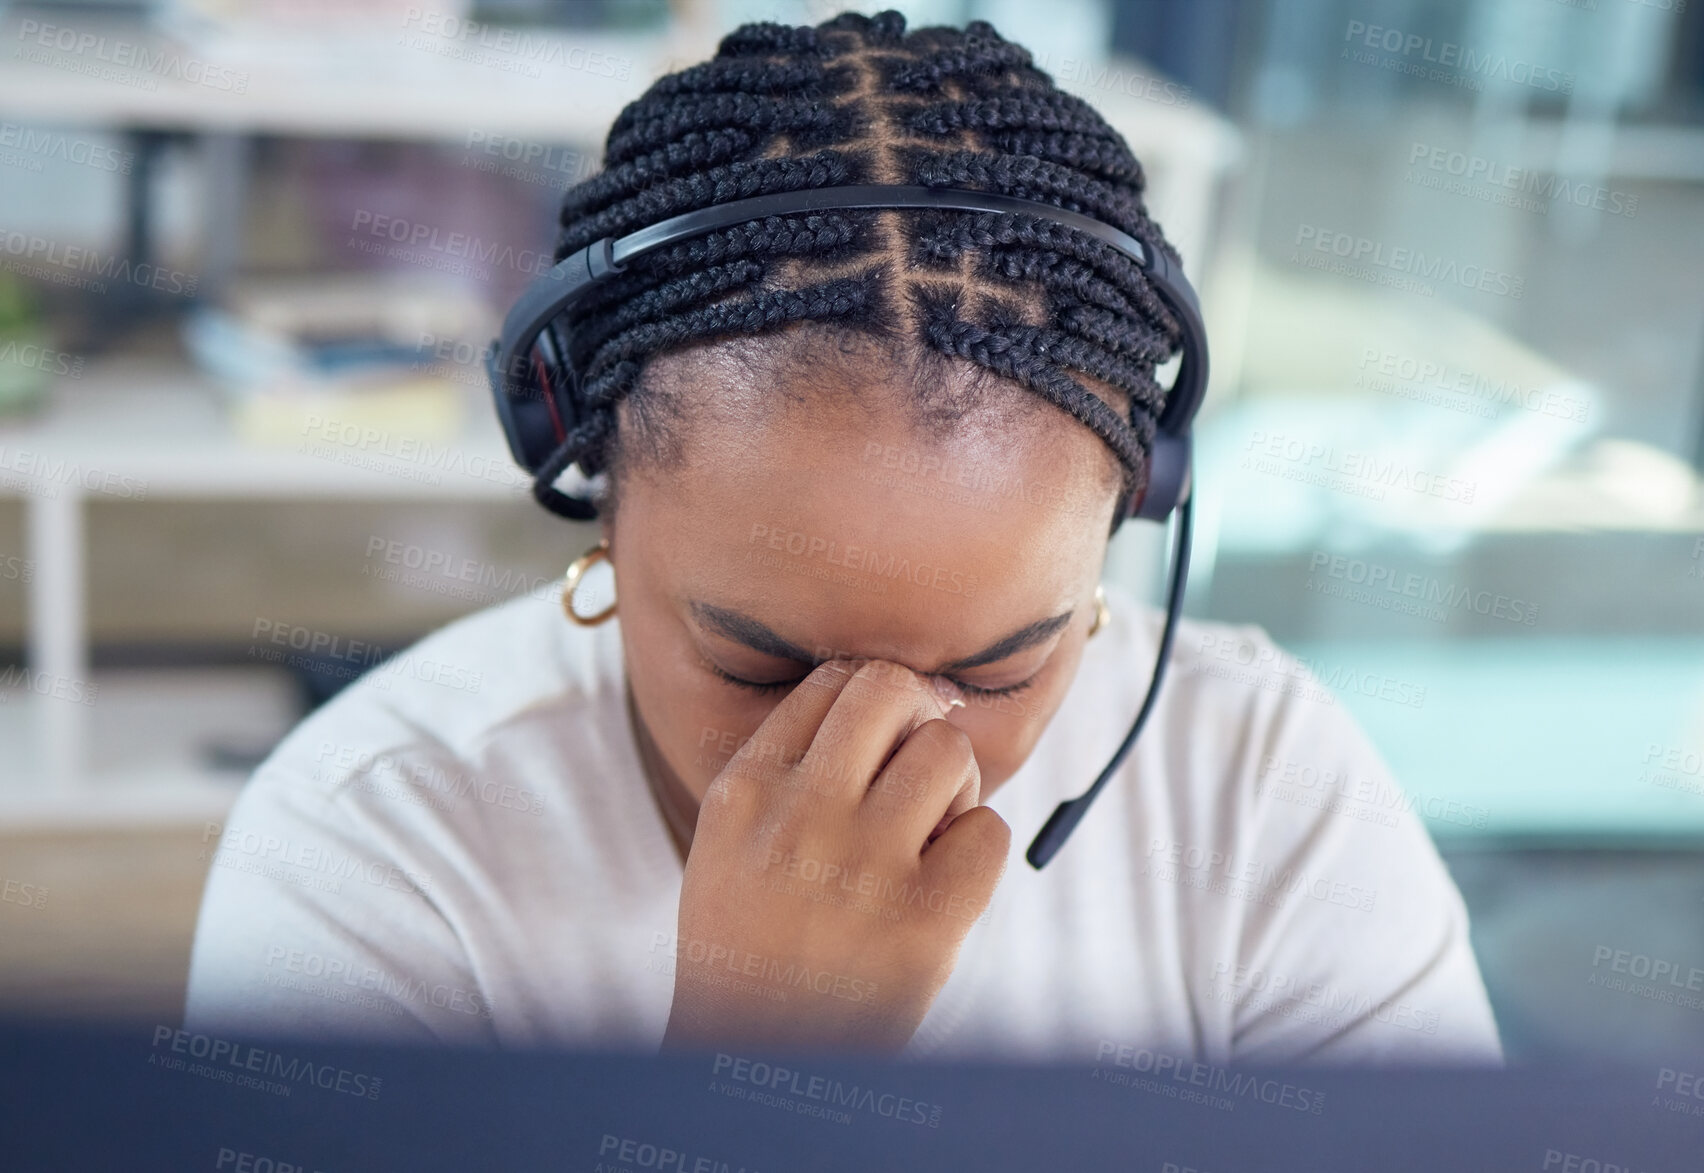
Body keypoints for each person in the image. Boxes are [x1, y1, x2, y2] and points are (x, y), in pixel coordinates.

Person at [185, 9, 1502, 1067]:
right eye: (760, 663)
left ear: (1133, 513)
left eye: (1003, 665)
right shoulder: (369, 841)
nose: (890, 747)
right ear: (596, 493)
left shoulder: (1267, 788)